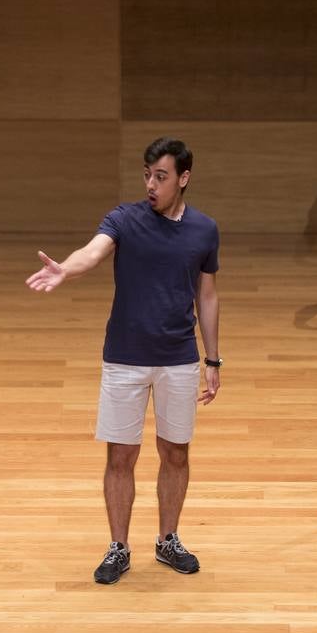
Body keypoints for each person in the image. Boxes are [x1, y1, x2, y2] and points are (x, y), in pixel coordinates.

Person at [26, 138, 220, 585]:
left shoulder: (205, 230)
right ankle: (119, 546)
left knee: (175, 453)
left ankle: (168, 538)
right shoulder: (124, 219)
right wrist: (66, 269)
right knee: (121, 456)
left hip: (178, 358)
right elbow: (92, 252)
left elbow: (207, 296)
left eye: (161, 176)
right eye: (147, 174)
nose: (151, 184)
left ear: (183, 178)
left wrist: (214, 359)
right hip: (125, 358)